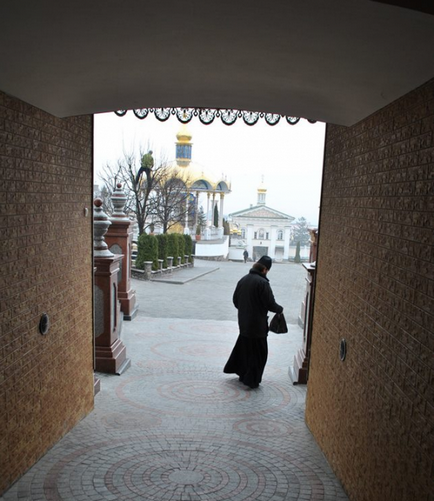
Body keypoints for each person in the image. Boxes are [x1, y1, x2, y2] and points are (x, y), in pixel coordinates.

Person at [224, 256, 283, 389]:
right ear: (265, 269)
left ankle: (242, 374)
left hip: (243, 322)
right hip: (257, 325)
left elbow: (235, 301)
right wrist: (280, 309)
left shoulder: (243, 279)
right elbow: (270, 304)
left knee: (245, 349)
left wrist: (245, 310)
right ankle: (251, 380)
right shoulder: (263, 283)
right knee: (259, 353)